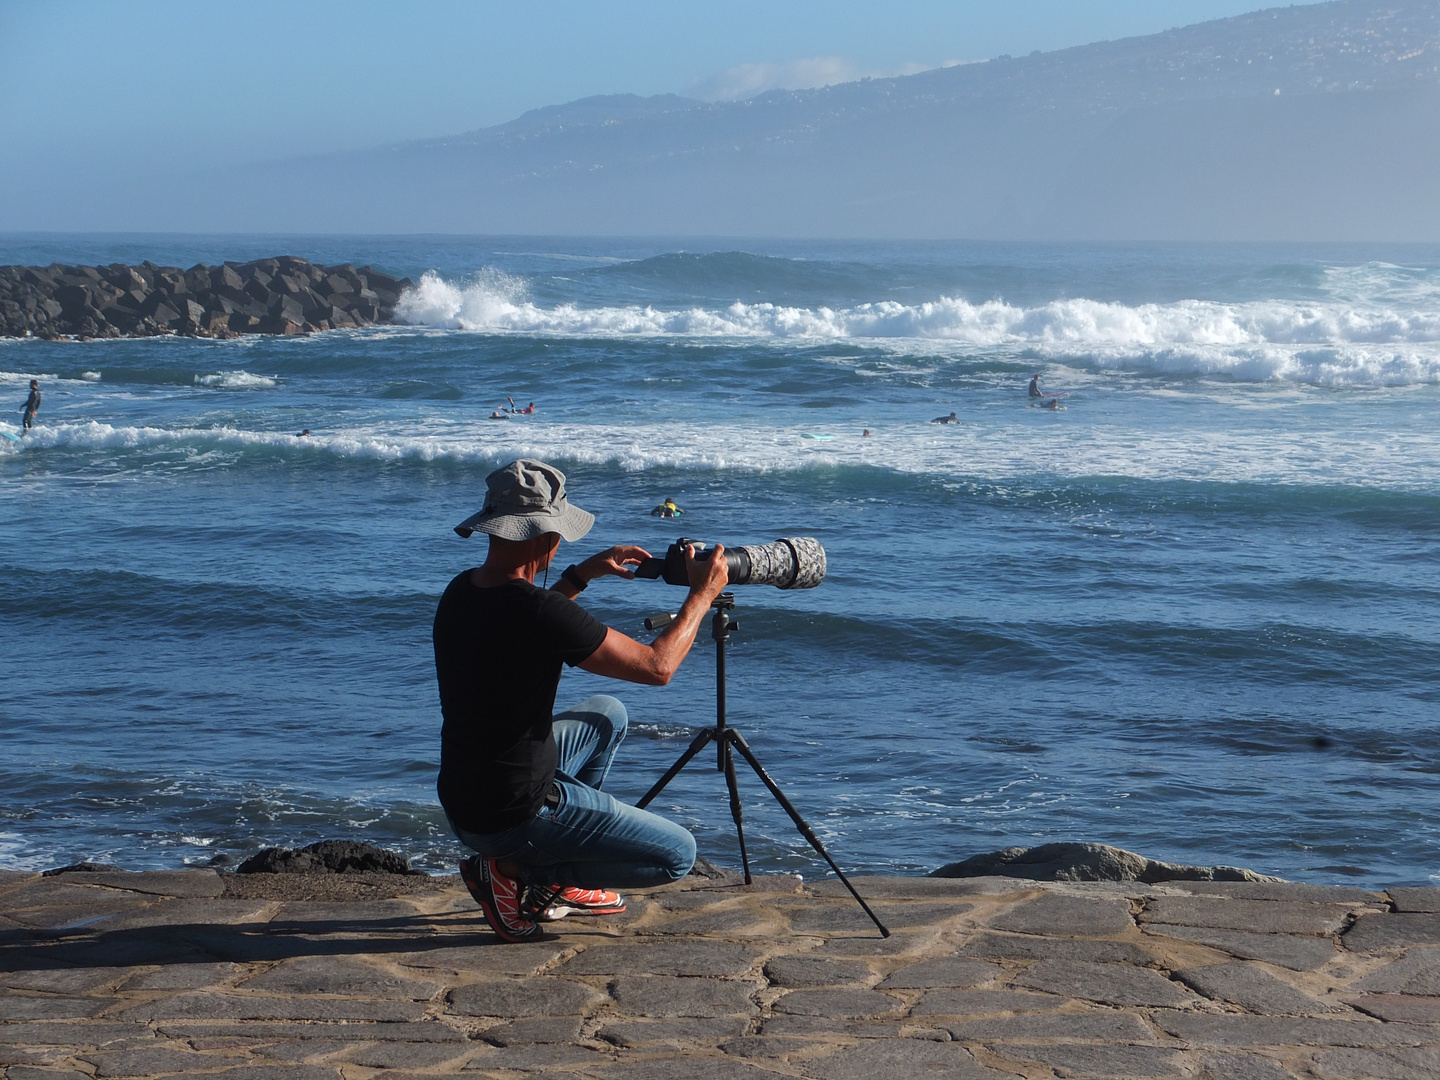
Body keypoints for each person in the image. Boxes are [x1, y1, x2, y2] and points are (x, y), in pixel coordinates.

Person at [433, 459, 729, 942]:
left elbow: (531, 624)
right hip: (512, 816)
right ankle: (521, 872)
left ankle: (545, 865)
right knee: (678, 857)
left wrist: (581, 575)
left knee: (608, 713)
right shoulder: (541, 611)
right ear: (543, 534)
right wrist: (702, 595)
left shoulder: (461, 590)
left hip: (465, 798)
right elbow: (658, 667)